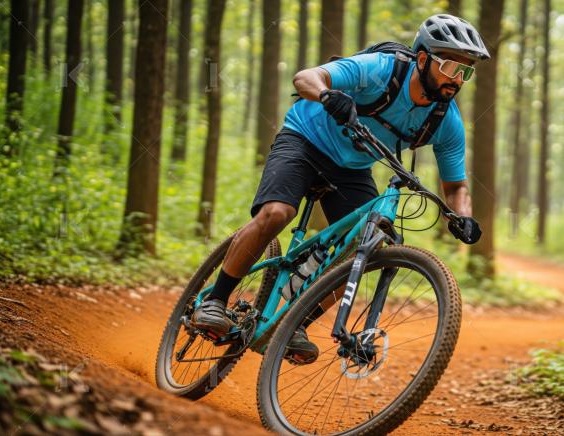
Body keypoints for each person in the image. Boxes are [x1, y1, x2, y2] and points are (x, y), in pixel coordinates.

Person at [192, 14, 490, 364]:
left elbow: (456, 186)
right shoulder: (381, 69)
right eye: (452, 68)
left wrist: (462, 216)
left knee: (363, 247)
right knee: (277, 213)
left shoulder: (446, 121)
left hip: (352, 167)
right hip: (304, 139)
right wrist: (327, 95)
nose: (458, 80)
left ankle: (293, 324)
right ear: (423, 59)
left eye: (466, 72)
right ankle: (215, 300)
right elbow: (306, 77)